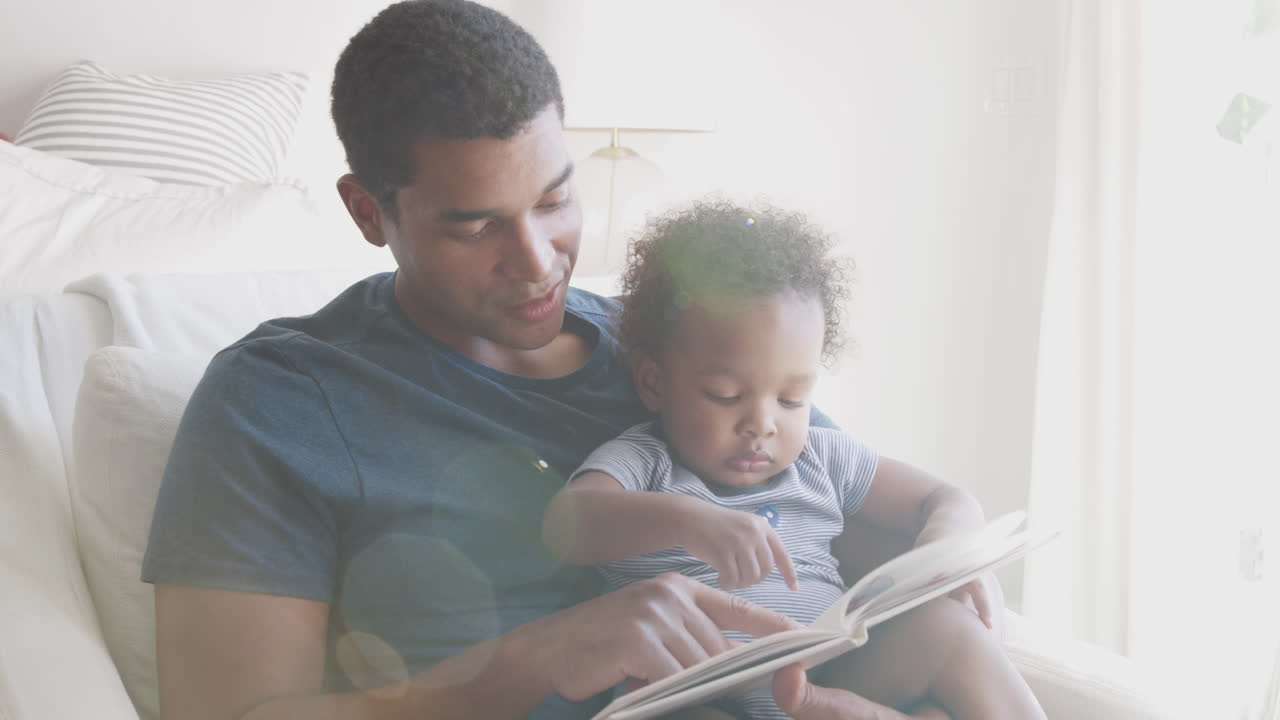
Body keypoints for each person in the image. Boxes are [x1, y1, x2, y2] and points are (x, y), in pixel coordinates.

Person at [140, 1, 999, 718]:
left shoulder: (674, 350)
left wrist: (941, 571)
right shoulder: (281, 399)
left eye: (554, 201)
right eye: (476, 225)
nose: (537, 261)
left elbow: (839, 521)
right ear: (369, 212)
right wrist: (534, 658)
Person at [542, 201, 1047, 720]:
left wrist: (945, 549)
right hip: (696, 692)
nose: (762, 424)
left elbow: (944, 498)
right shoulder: (646, 461)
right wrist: (686, 521)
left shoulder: (820, 458)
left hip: (831, 681)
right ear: (654, 383)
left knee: (947, 629)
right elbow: (566, 523)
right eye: (724, 395)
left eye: (791, 400)